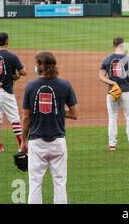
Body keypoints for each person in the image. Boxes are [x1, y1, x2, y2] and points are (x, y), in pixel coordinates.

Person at [21, 52, 78, 204]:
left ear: (41, 65)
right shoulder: (65, 85)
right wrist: (57, 109)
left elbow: (26, 118)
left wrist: (22, 142)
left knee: (35, 184)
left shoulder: (31, 86)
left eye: (37, 63)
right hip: (58, 142)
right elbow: (74, 114)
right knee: (60, 183)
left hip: (36, 142)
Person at [99, 37, 129, 151]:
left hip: (112, 92)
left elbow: (101, 76)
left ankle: (112, 145)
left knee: (112, 118)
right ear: (123, 45)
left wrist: (112, 82)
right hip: (126, 91)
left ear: (113, 45)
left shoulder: (107, 59)